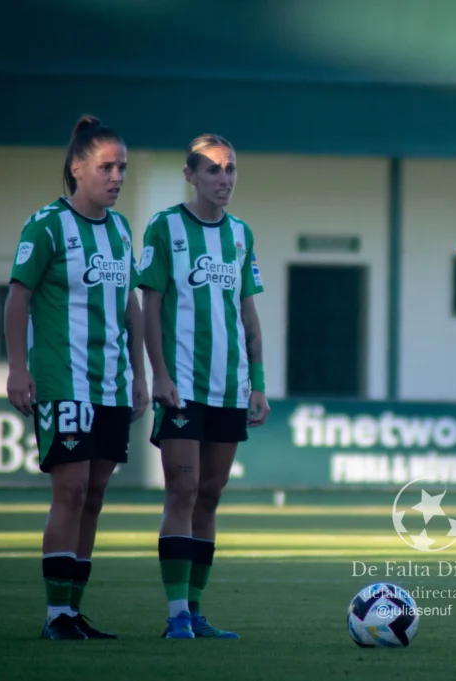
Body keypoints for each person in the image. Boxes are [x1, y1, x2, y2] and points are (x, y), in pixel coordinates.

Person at [5, 115, 149, 640]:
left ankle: (73, 611)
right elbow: (17, 297)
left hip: (112, 382)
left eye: (123, 168)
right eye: (107, 167)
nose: (117, 177)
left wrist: (138, 372)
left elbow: (131, 307)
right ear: (77, 168)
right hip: (64, 380)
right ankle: (54, 615)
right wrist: (18, 368)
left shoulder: (120, 229)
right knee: (70, 490)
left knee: (95, 494)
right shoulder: (46, 225)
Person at [139, 133, 271, 640]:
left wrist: (257, 384)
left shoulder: (241, 234)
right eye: (214, 169)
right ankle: (175, 615)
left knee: (211, 495)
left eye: (231, 169)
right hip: (182, 388)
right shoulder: (164, 226)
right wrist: (160, 375)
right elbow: (150, 306)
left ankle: (195, 611)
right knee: (183, 489)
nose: (225, 179)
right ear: (190, 174)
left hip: (230, 388)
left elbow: (248, 313)